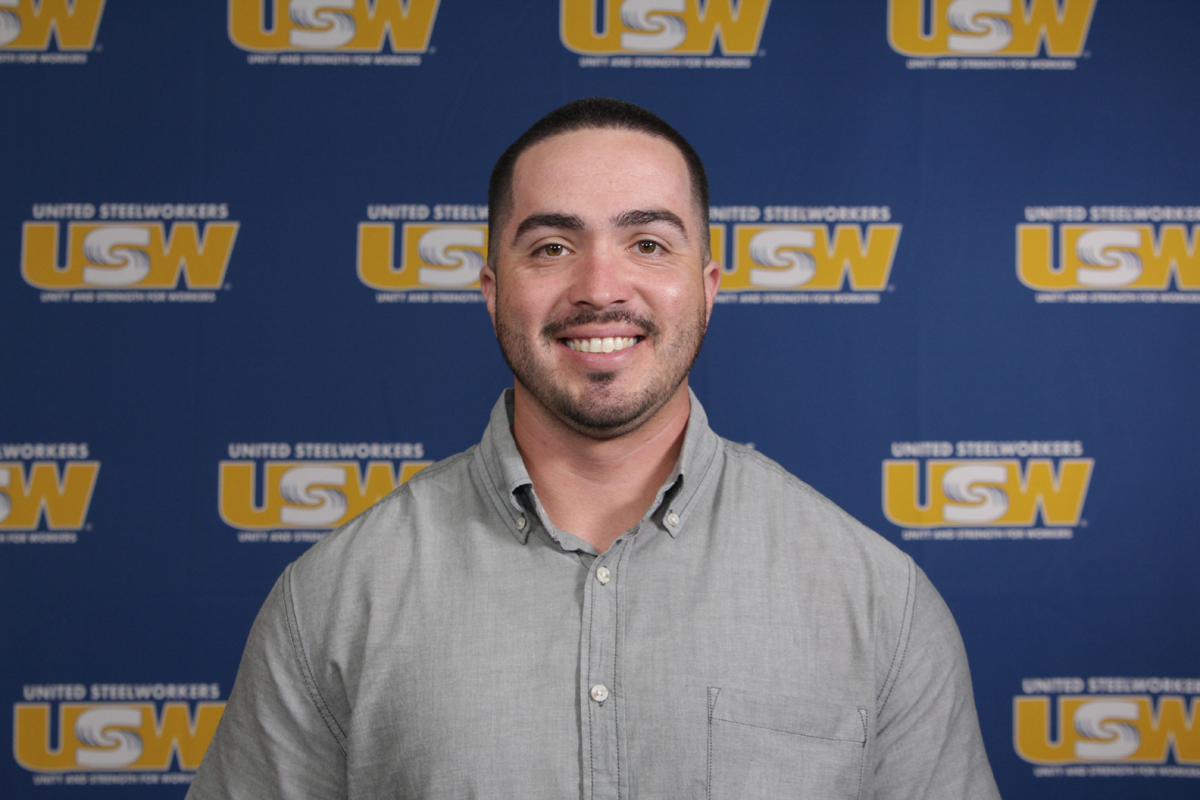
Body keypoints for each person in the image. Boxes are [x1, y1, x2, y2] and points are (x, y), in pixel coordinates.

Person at [189, 97, 1001, 799]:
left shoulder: (877, 604)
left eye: (648, 243)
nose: (600, 288)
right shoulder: (333, 602)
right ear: (492, 291)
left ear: (707, 289)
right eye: (551, 247)